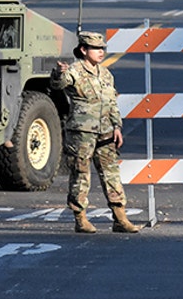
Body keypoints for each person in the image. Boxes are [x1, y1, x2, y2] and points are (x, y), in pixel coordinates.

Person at [50, 30, 140, 234]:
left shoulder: (106, 73)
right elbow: (58, 84)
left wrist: (117, 126)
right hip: (82, 132)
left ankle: (119, 217)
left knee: (111, 174)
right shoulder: (74, 71)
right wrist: (58, 73)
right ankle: (80, 218)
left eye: (102, 49)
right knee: (81, 174)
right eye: (96, 48)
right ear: (83, 50)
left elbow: (112, 103)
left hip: (106, 131)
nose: (101, 52)